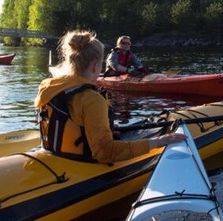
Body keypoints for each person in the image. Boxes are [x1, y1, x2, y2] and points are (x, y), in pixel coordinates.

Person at [34, 30, 184, 163]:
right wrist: (157, 142)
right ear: (94, 66)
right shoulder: (92, 99)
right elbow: (105, 152)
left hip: (53, 154)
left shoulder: (48, 87)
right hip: (82, 162)